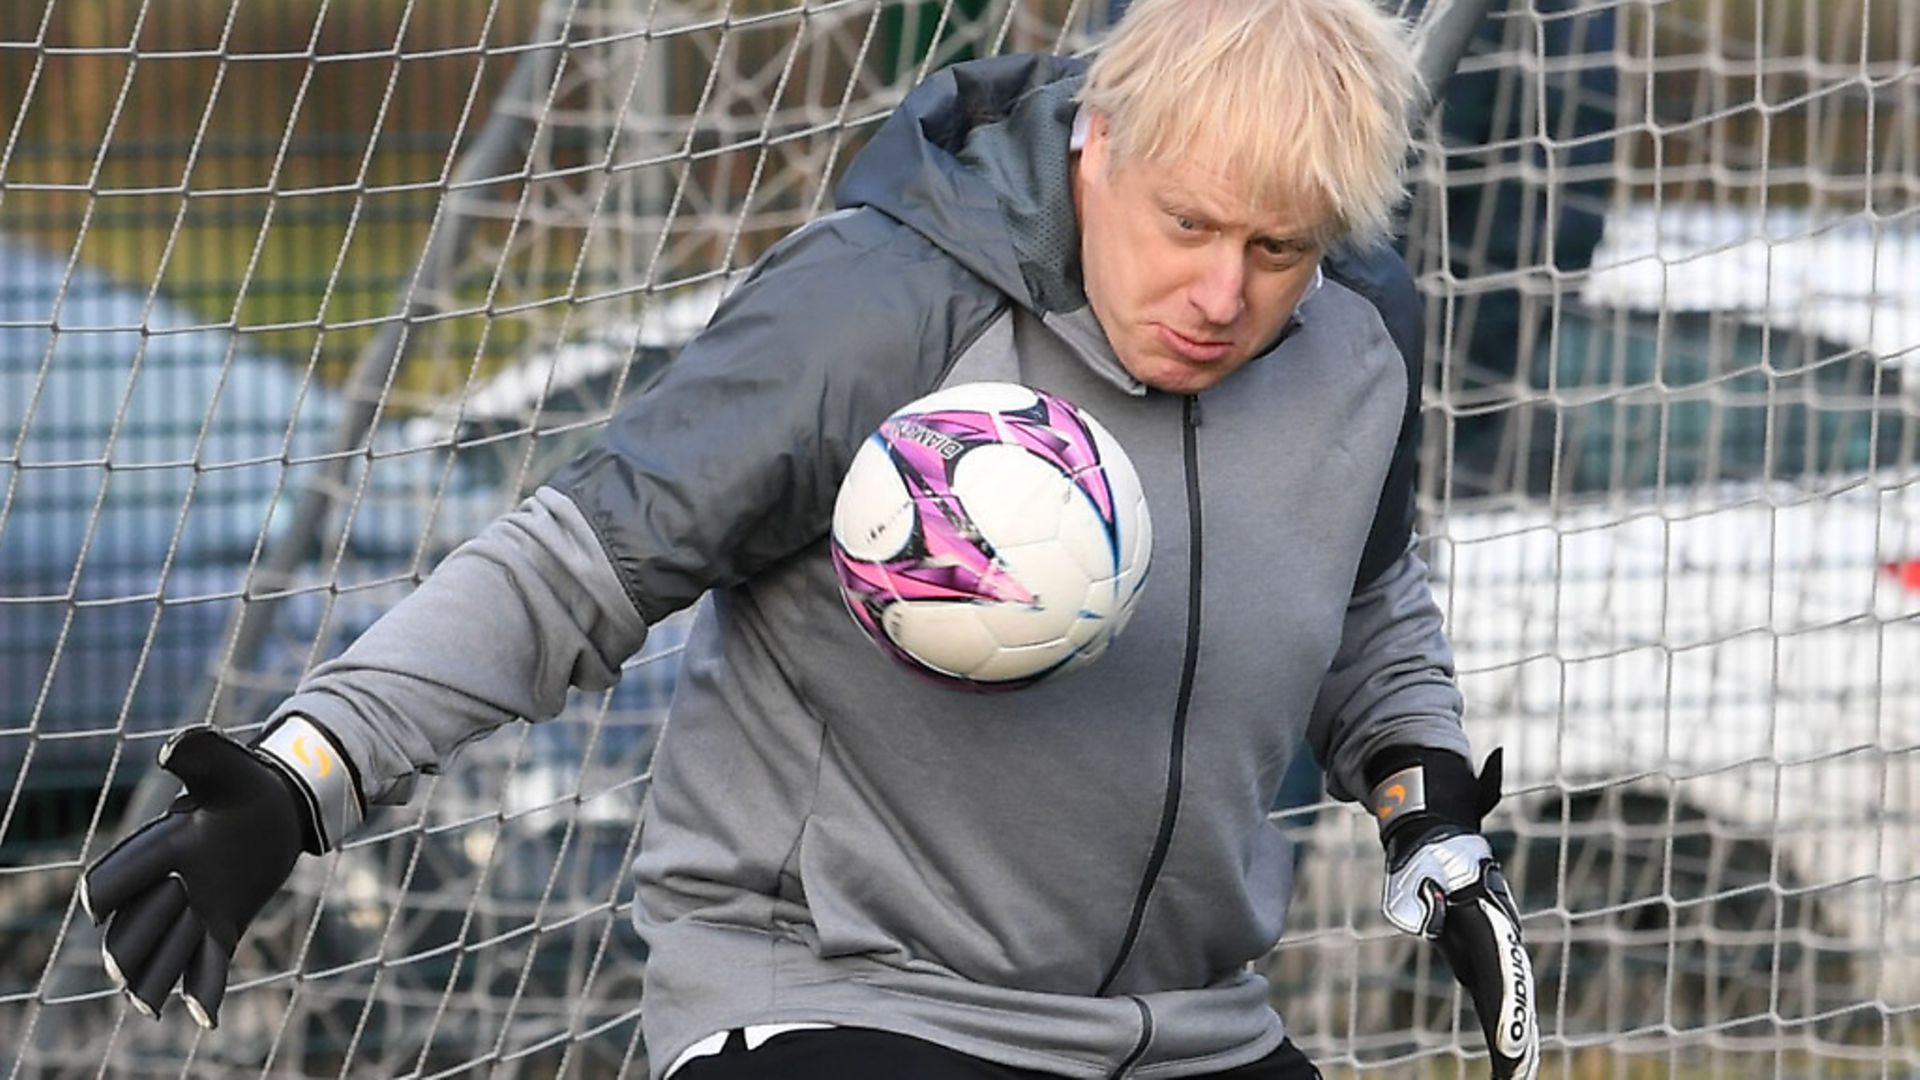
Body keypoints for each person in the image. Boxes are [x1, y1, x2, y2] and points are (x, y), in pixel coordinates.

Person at [79, 0, 1541, 1076]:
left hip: (1185, 1030)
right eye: (1189, 226)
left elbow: (1367, 601)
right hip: (842, 1003)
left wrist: (1430, 814)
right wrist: (304, 775)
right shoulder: (880, 308)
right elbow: (572, 567)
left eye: (1277, 251)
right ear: (1099, 137)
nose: (1225, 292)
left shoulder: (1358, 344)